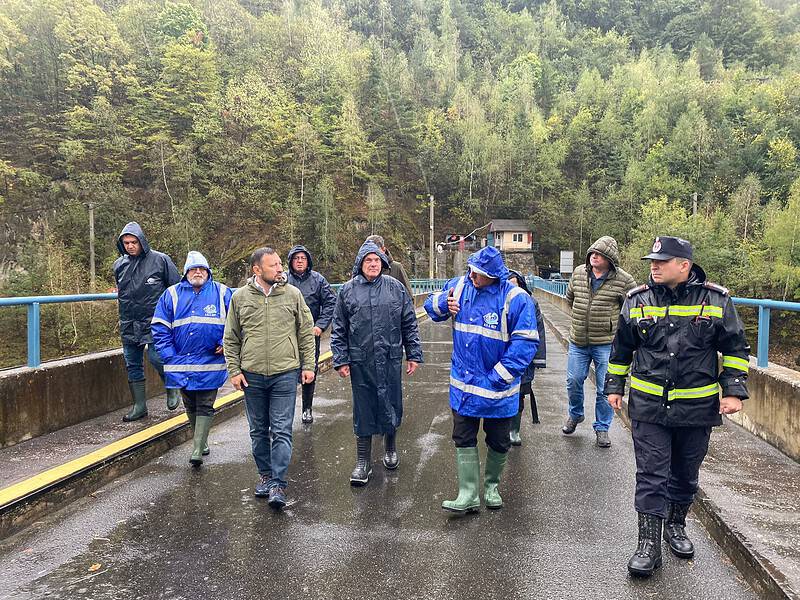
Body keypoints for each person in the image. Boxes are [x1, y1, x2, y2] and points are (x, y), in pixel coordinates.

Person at [606, 236, 749, 577]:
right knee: (651, 474)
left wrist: (733, 391)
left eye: (662, 261)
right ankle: (648, 545)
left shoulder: (715, 300)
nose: (653, 266)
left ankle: (675, 526)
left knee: (685, 474)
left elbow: (735, 347)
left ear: (684, 265)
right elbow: (621, 347)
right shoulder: (637, 300)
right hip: (649, 406)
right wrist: (614, 385)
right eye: (652, 261)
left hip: (696, 408)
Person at [424, 246, 538, 514]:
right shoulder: (461, 287)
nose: (472, 276)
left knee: (498, 441)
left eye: (479, 273)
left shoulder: (516, 299)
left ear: (493, 275)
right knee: (462, 436)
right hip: (464, 386)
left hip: (497, 389)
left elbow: (525, 344)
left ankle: (491, 487)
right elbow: (431, 303)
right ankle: (468, 493)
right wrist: (443, 303)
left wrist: (499, 377)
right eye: (472, 271)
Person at [223, 247, 316, 509]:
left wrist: (308, 365)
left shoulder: (293, 294)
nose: (280, 269)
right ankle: (265, 475)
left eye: (279, 264)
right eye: (273, 265)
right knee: (258, 431)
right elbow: (231, 338)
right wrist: (234, 370)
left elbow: (305, 333)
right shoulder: (240, 298)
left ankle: (278, 483)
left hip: (285, 373)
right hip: (251, 375)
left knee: (282, 430)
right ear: (257, 270)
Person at [331, 240, 423, 486]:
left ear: (383, 263)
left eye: (377, 261)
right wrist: (340, 359)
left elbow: (409, 322)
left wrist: (413, 354)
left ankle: (390, 448)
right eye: (368, 260)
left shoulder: (395, 288)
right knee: (363, 408)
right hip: (360, 360)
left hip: (390, 358)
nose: (373, 264)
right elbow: (338, 328)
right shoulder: (347, 291)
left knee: (391, 403)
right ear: (360, 264)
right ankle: (363, 461)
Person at [151, 252, 232, 466]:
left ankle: (197, 448)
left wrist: (225, 344)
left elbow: (237, 322)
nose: (198, 272)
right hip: (180, 361)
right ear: (186, 273)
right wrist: (168, 355)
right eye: (193, 269)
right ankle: (201, 440)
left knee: (206, 402)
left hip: (211, 362)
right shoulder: (171, 295)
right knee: (189, 403)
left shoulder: (222, 292)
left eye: (202, 269)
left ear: (208, 272)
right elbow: (159, 327)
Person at [562, 235, 636, 447]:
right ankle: (575, 414)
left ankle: (602, 428)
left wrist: (617, 330)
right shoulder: (578, 273)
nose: (594, 257)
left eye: (599, 254)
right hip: (578, 340)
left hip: (606, 343)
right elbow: (570, 299)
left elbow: (632, 309)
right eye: (592, 253)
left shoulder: (624, 280)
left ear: (609, 259)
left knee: (606, 387)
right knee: (574, 380)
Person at [113, 222, 181, 422]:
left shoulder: (160, 260)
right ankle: (139, 406)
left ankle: (171, 385)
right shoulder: (119, 265)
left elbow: (176, 290)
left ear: (142, 241)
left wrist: (174, 319)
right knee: (132, 363)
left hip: (155, 320)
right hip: (128, 320)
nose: (130, 246)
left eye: (134, 242)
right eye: (126, 243)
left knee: (156, 357)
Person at [286, 245, 337, 424]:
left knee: (309, 370)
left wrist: (320, 326)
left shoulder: (318, 280)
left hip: (309, 335)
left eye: (303, 258)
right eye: (296, 258)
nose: (299, 261)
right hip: (285, 336)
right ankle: (285, 412)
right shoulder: (283, 279)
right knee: (286, 373)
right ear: (291, 261)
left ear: (308, 261)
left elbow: (331, 302)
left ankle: (307, 408)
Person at [507, 270, 547, 444]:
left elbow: (539, 331)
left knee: (520, 393)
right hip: (501, 355)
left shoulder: (531, 302)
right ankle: (501, 428)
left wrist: (538, 359)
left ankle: (514, 430)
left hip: (524, 357)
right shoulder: (495, 302)